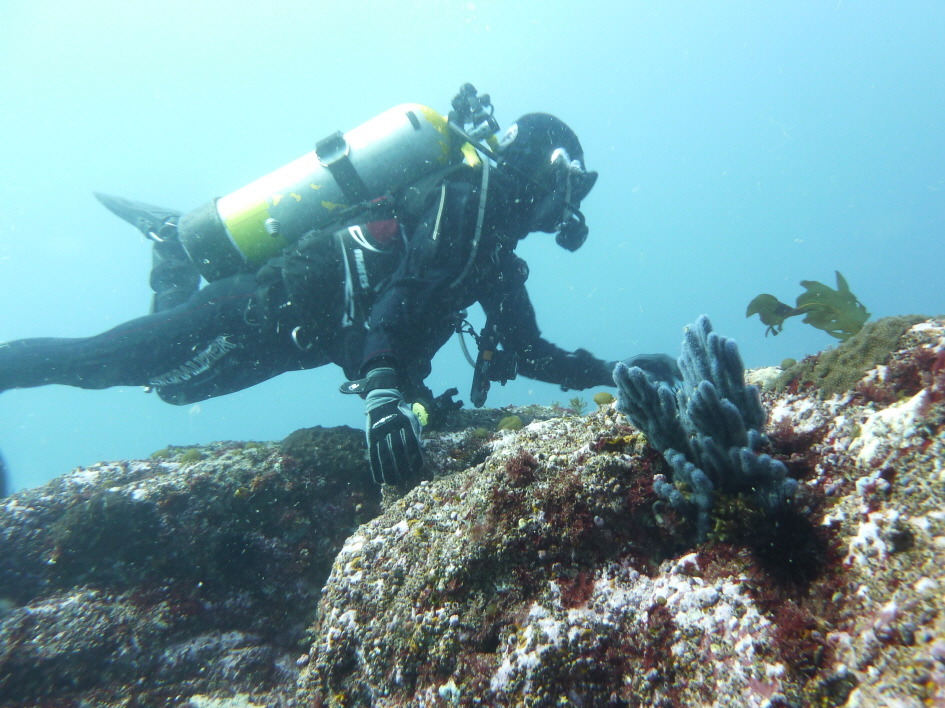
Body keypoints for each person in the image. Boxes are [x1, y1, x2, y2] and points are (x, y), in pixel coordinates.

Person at [0, 90, 662, 487]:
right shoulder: (460, 202)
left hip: (297, 339)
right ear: (547, 172)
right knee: (97, 364)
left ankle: (170, 250)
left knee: (173, 388)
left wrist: (617, 371)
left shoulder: (489, 255)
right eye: (567, 193)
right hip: (260, 305)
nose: (565, 214)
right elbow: (407, 289)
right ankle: (173, 247)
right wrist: (381, 393)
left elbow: (527, 351)